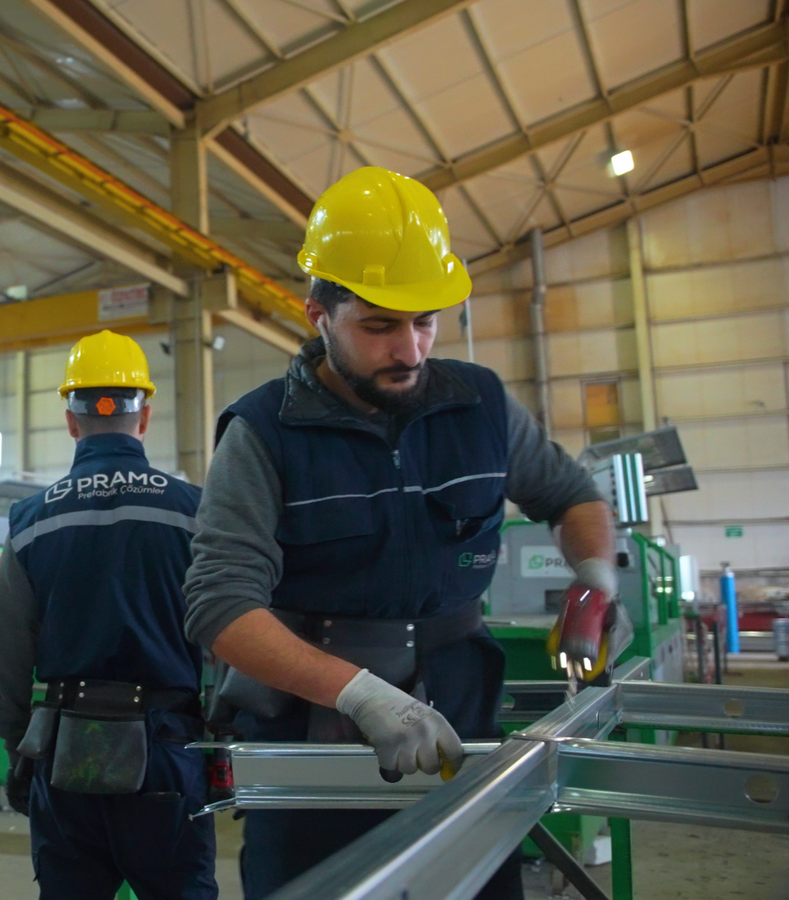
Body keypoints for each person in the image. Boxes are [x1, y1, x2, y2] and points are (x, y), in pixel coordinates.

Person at [182, 166, 618, 900]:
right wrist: (358, 694)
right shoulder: (263, 432)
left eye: (425, 322)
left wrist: (596, 580)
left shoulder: (479, 406)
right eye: (380, 326)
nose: (411, 351)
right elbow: (221, 605)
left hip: (461, 709)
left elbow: (570, 495)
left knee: (472, 882)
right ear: (319, 313)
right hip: (312, 728)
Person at [0, 330, 215, 899]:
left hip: (65, 752)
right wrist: (221, 740)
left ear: (70, 420)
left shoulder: (30, 521)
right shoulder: (196, 512)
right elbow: (232, 631)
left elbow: (8, 652)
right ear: (146, 416)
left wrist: (18, 746)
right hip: (169, 749)